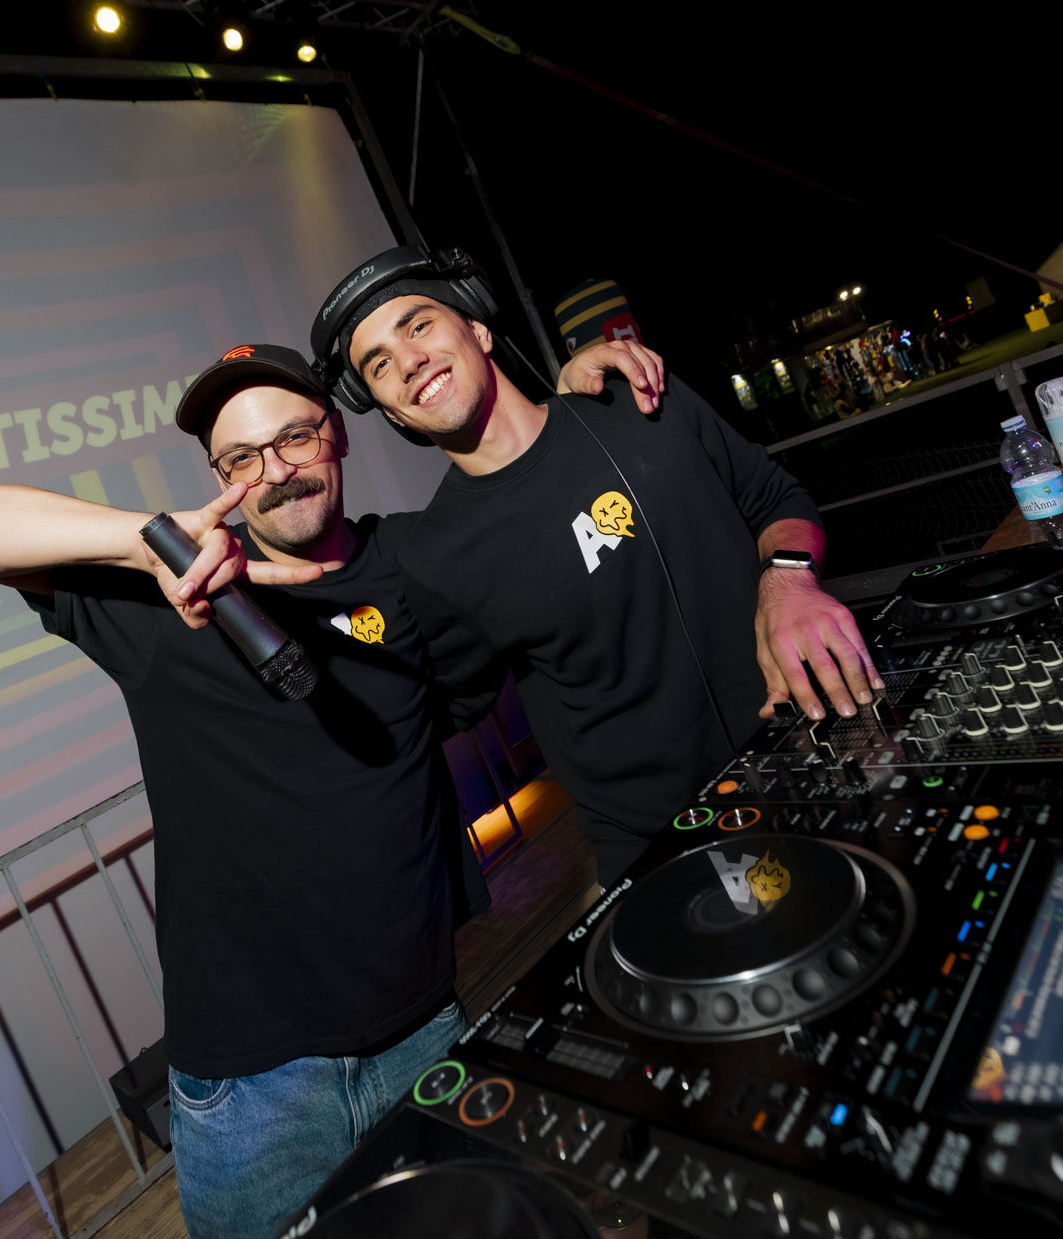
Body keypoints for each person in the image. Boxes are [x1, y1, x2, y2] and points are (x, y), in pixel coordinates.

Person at [0, 334, 660, 1239]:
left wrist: (564, 401)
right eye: (241, 458)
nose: (273, 472)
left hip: (423, 1032)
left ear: (336, 435)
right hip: (254, 1088)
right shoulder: (163, 599)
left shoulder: (413, 569)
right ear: (220, 479)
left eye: (294, 438)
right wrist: (149, 542)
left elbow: (524, 520)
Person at [310, 247, 883, 889]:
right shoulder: (436, 558)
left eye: (419, 325)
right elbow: (432, 707)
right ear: (389, 409)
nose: (409, 362)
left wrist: (788, 580)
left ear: (478, 328)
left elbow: (776, 499)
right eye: (379, 364)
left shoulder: (636, 402)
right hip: (671, 849)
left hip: (821, 742)